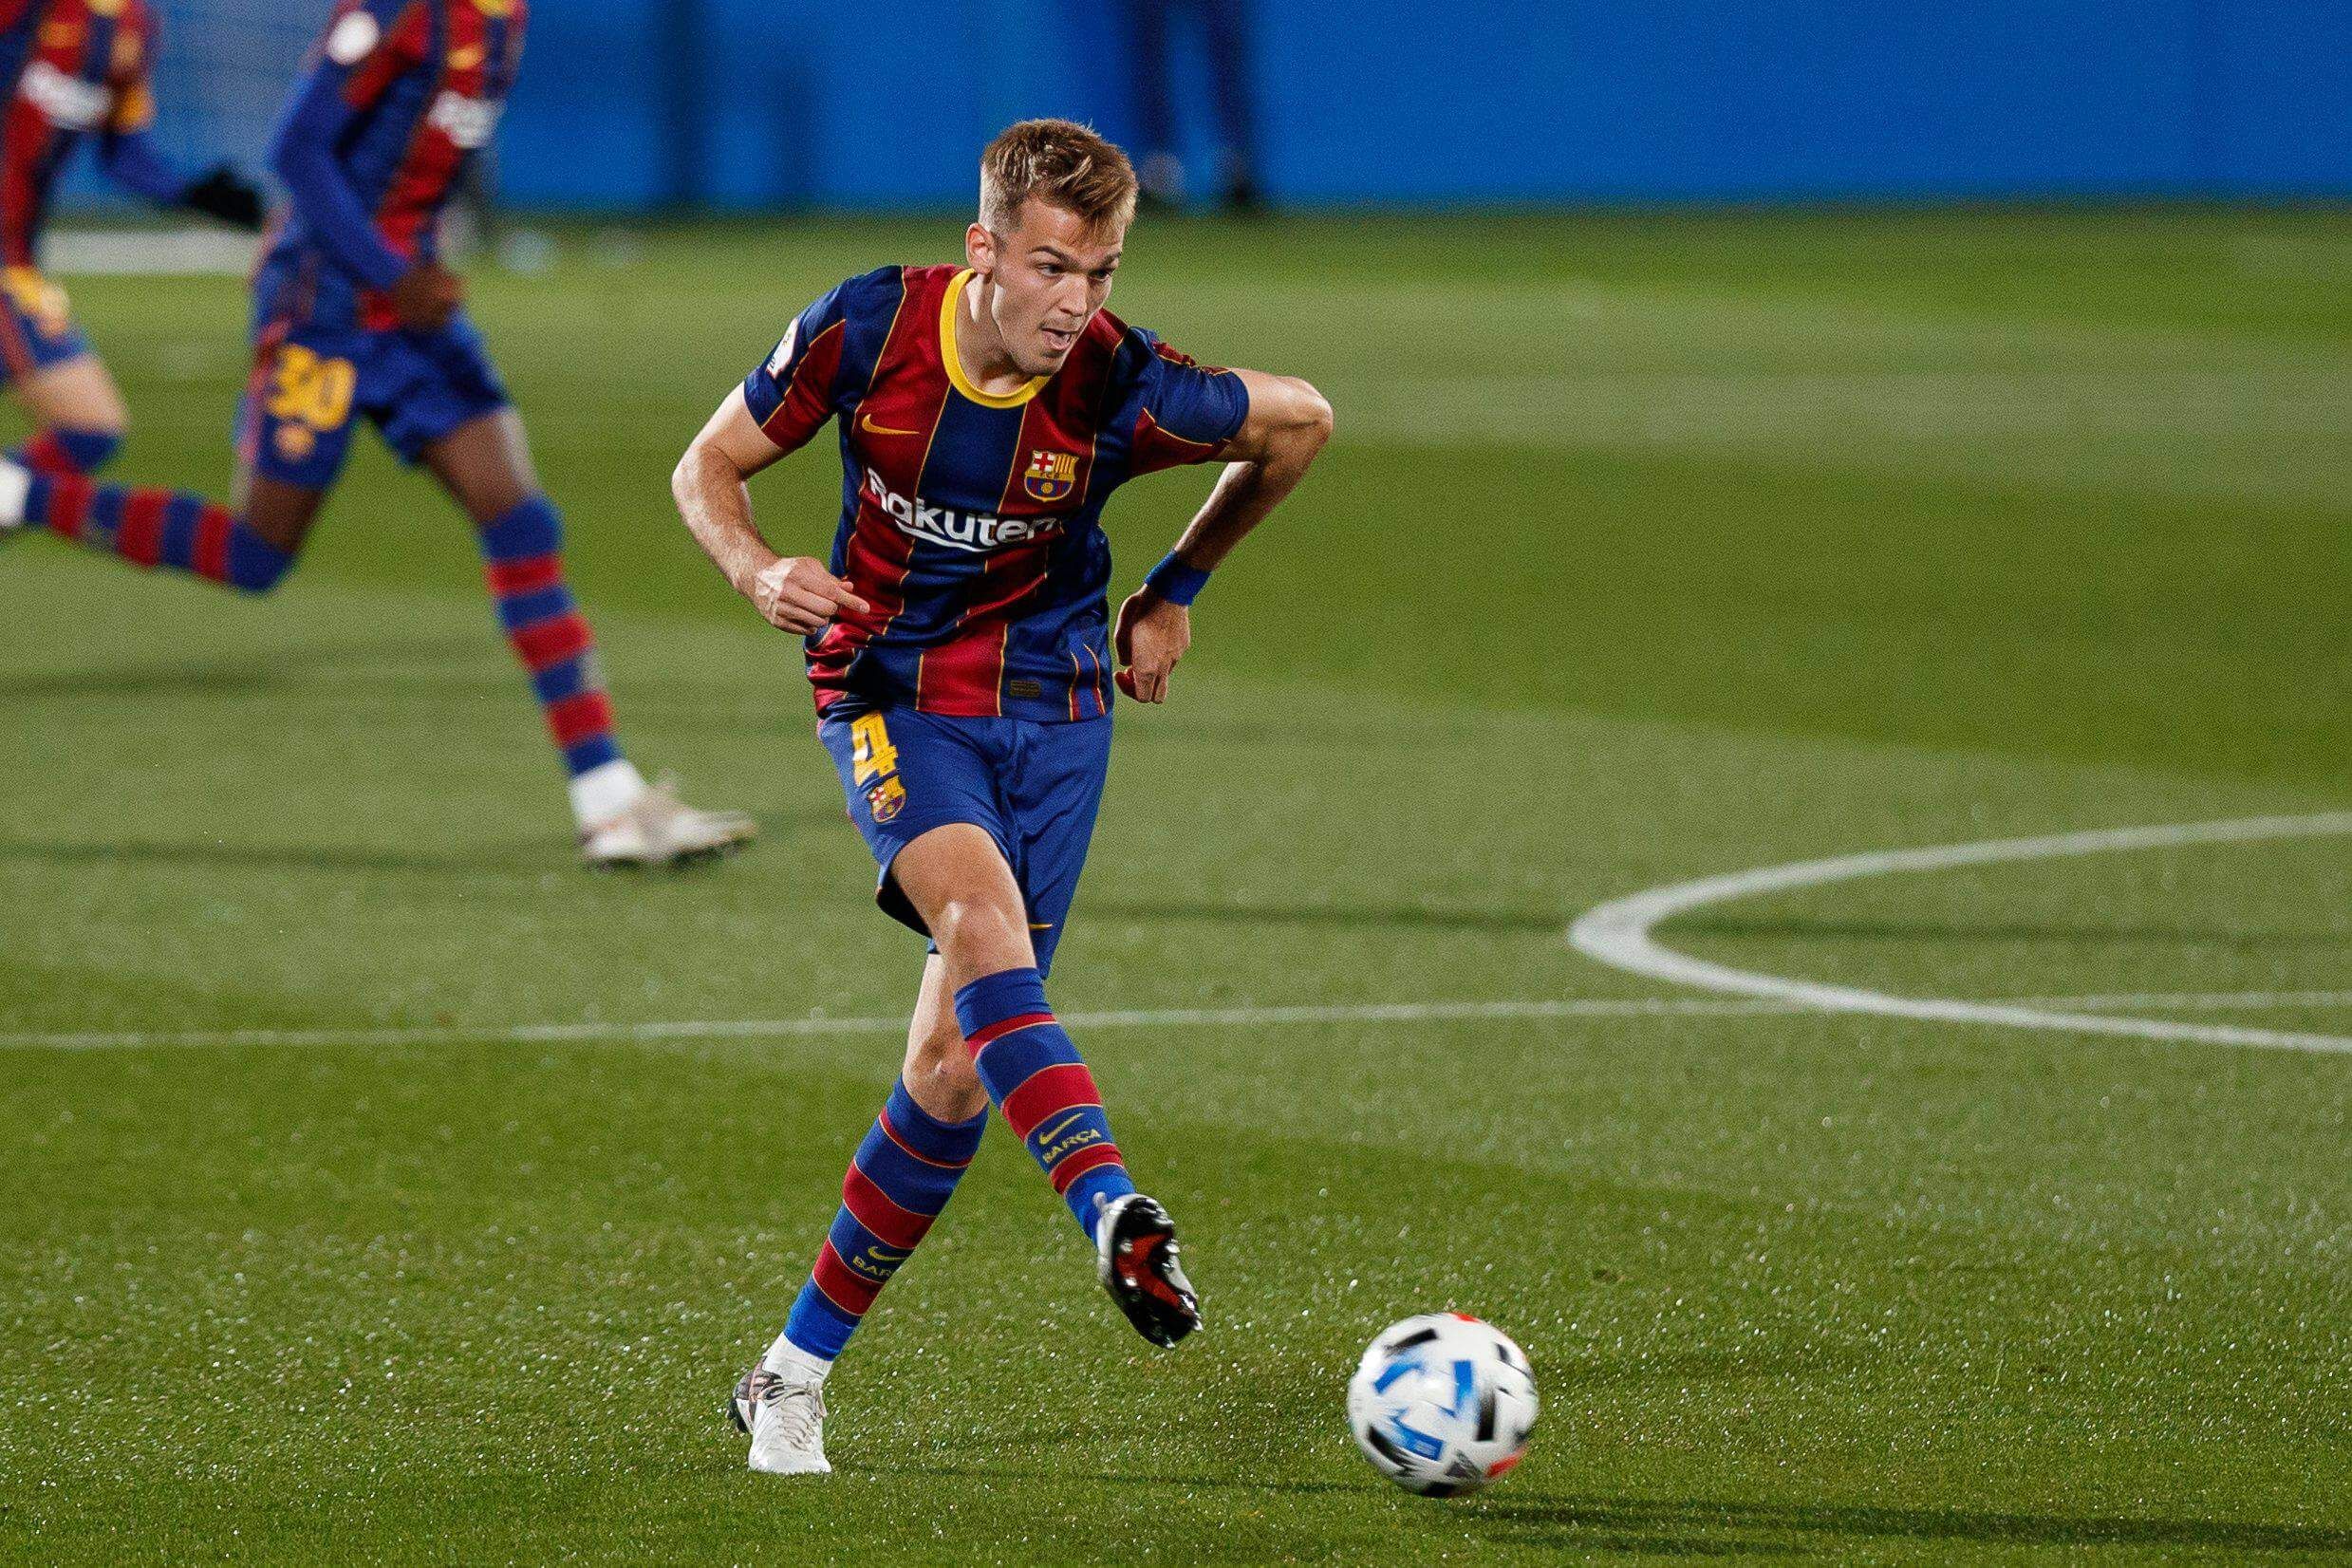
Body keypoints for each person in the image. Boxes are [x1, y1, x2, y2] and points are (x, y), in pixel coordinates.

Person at [670, 118, 1333, 1476]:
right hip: (892, 690)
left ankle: (786, 1374)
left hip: (1056, 710)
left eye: (1097, 271)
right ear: (983, 252)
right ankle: (1111, 1208)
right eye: (1048, 268)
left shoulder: (1117, 383)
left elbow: (1302, 421)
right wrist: (755, 573)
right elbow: (706, 469)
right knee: (982, 933)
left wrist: (1174, 589)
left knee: (954, 1064)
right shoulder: (868, 332)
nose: (1074, 302)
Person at [0, 0, 751, 866]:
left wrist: (405, 273)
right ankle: (19, 491)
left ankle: (610, 801)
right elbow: (297, 148)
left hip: (408, 317)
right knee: (257, 553)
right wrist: (394, 273)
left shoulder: (505, 19)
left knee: (518, 518)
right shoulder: (401, 12)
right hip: (321, 309)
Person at [0, 0, 264, 477]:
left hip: (17, 262)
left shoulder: (135, 25)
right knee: (88, 427)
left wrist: (197, 193)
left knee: (90, 432)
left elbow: (123, 153)